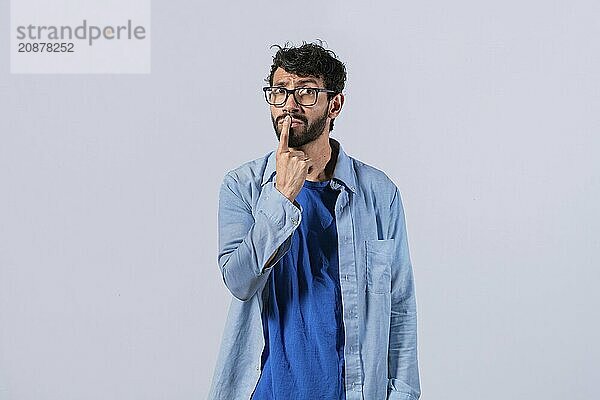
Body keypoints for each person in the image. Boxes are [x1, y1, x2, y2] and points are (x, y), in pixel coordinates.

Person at [208, 42, 420, 400]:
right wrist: (281, 197)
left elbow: (400, 306)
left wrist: (402, 394)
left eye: (306, 92)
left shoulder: (379, 194)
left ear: (334, 104)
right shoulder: (241, 187)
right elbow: (240, 282)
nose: (289, 104)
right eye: (279, 92)